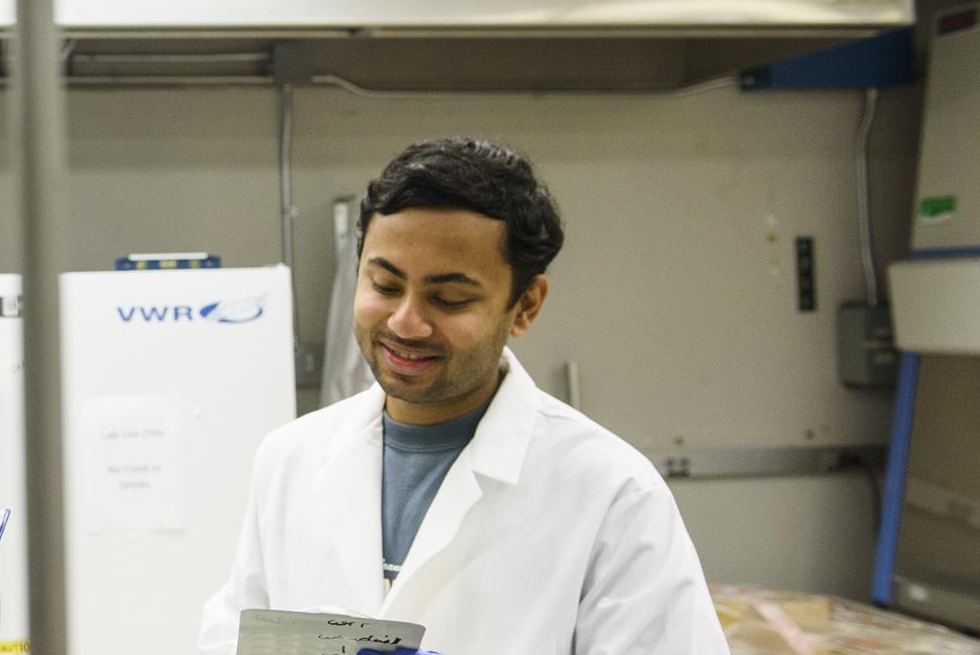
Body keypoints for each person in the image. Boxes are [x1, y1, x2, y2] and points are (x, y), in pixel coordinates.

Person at [199, 138, 727, 654]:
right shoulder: (291, 459)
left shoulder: (612, 492)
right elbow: (233, 638)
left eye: (448, 298)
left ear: (525, 305)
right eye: (383, 285)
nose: (405, 322)